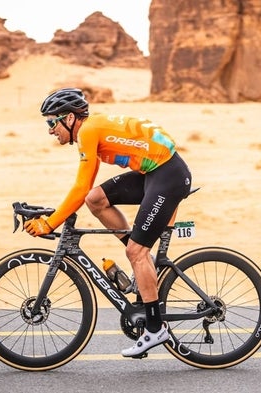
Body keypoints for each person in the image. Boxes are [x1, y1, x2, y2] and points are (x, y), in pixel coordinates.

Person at [23, 88, 192, 357]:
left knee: (135, 250)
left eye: (51, 122)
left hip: (168, 176)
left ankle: (155, 328)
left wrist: (50, 223)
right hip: (155, 173)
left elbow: (80, 185)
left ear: (68, 118)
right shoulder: (91, 129)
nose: (50, 130)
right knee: (96, 200)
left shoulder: (89, 131)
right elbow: (87, 192)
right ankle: (141, 258)